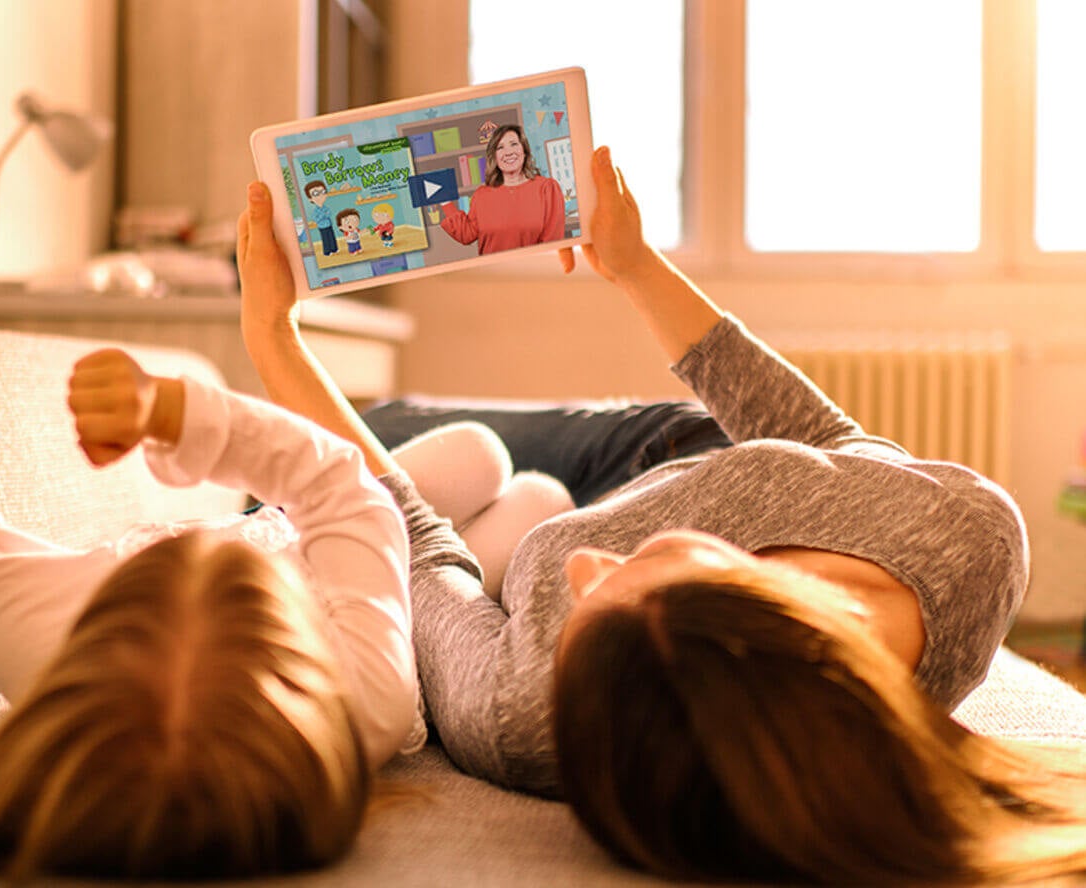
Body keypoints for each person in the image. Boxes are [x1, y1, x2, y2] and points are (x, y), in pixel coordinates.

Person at [237, 147, 1086, 883]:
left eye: (590, 597)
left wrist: (274, 338)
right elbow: (825, 439)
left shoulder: (529, 715)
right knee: (440, 434)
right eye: (636, 569)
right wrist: (634, 264)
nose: (582, 563)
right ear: (754, 596)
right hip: (670, 446)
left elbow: (412, 536)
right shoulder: (969, 541)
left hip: (500, 513)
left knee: (316, 460)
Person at [0, 199, 424, 879]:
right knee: (476, 464)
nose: (198, 554)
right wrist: (176, 413)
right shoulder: (370, 702)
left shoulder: (37, 633)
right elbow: (352, 494)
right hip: (370, 570)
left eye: (160, 575)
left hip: (317, 540)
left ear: (100, 613)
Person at [438, 123, 566, 255]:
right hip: (492, 268)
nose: (508, 152)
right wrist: (444, 200)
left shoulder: (547, 188)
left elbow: (553, 242)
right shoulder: (482, 195)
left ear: (524, 150)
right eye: (500, 147)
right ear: (494, 157)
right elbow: (466, 234)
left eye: (514, 144)